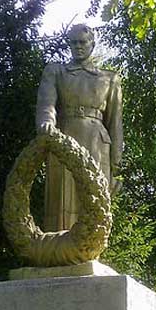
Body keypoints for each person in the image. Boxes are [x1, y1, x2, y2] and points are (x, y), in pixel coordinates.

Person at [36, 24, 123, 231]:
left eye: (83, 42)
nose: (78, 46)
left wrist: (116, 163)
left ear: (92, 44)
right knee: (60, 201)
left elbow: (115, 123)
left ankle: (89, 250)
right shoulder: (56, 71)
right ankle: (58, 251)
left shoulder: (109, 79)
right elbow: (46, 103)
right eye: (73, 42)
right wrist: (47, 123)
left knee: (94, 199)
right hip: (65, 135)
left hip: (97, 143)